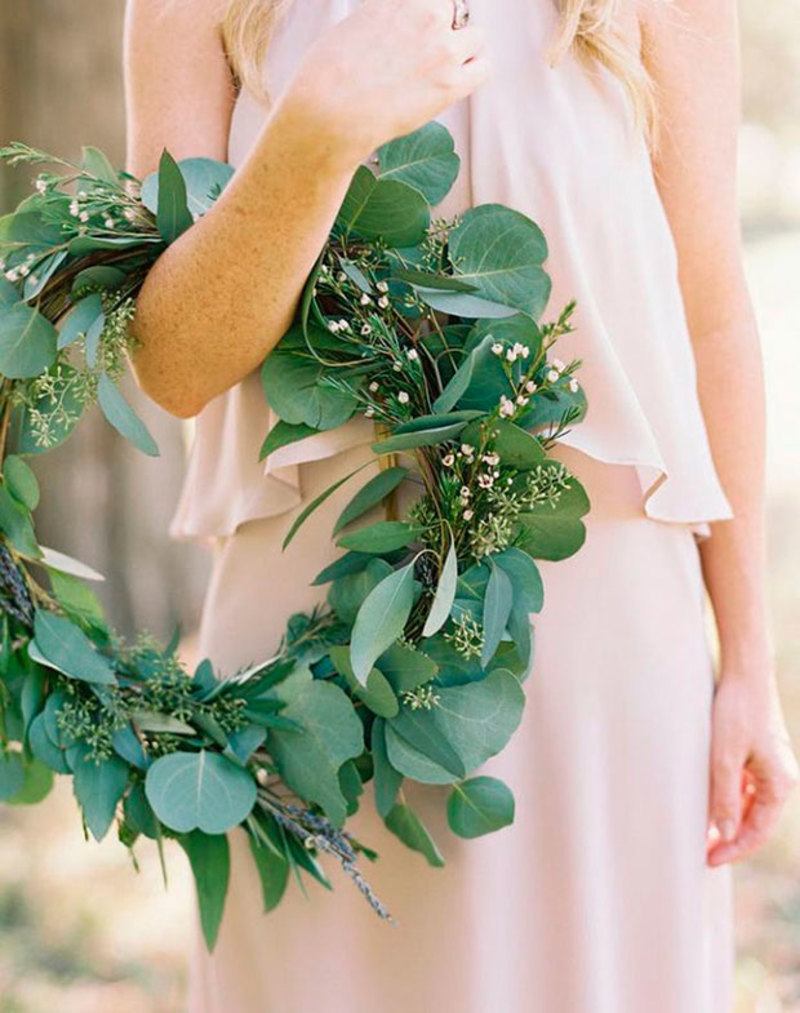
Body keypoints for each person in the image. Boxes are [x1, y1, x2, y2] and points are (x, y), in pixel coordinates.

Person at [123, 1, 798, 1010]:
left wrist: (746, 660)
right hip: (310, 679)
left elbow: (710, 317)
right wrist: (312, 135)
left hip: (600, 665)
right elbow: (171, 362)